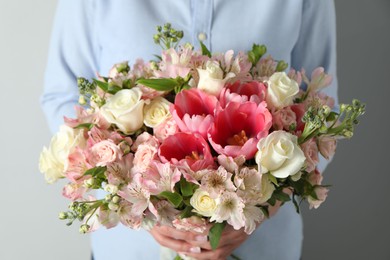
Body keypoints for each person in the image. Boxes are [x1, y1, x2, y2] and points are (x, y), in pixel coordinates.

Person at [41, 0, 338, 259]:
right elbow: (62, 95)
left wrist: (264, 204)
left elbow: (322, 113)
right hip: (128, 250)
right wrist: (141, 204)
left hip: (263, 247)